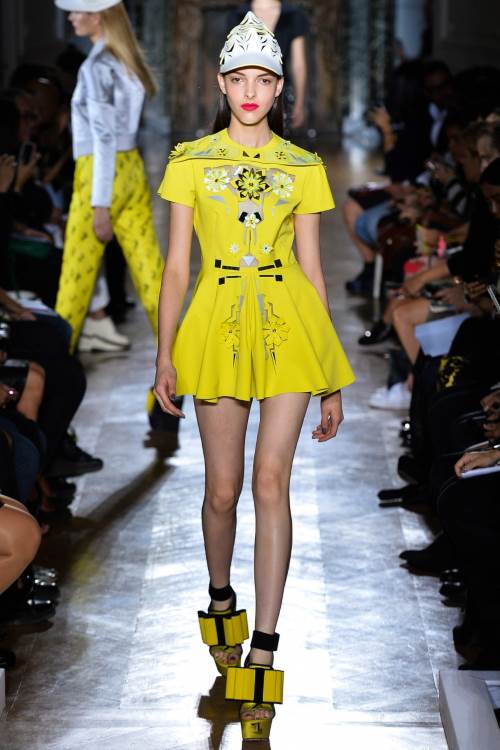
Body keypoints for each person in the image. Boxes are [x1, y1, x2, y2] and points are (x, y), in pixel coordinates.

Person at [154, 12, 355, 741]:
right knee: (222, 489)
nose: (249, 91)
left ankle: (264, 649)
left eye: (262, 80)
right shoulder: (189, 161)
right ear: (220, 83)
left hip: (288, 325)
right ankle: (220, 600)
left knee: (272, 482)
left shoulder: (304, 166)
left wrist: (330, 375)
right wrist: (164, 353)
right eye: (237, 78)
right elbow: (177, 266)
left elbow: (314, 271)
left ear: (277, 89)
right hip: (214, 323)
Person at [53, 0, 164, 352]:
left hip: (99, 174)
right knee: (151, 275)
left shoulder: (96, 66)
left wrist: (100, 203)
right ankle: (183, 363)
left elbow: (103, 137)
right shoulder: (127, 61)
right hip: (131, 168)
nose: (71, 17)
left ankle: (52, 369)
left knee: (75, 281)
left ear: (98, 16)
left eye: (78, 11)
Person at [227, 1, 308, 130]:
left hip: (280, 91)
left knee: (278, 136)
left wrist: (299, 103)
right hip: (246, 90)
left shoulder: (293, 15)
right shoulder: (238, 15)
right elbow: (229, 62)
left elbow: (298, 64)